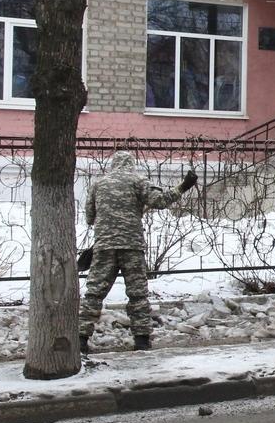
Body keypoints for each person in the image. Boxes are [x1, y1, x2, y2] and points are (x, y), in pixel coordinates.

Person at [80, 151, 197, 353]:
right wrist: (183, 187)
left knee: (94, 293)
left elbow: (90, 218)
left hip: (105, 246)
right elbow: (159, 201)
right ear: (131, 164)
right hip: (132, 247)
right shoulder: (138, 181)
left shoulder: (99, 184)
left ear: (113, 164)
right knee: (137, 294)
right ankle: (142, 340)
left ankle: (81, 338)